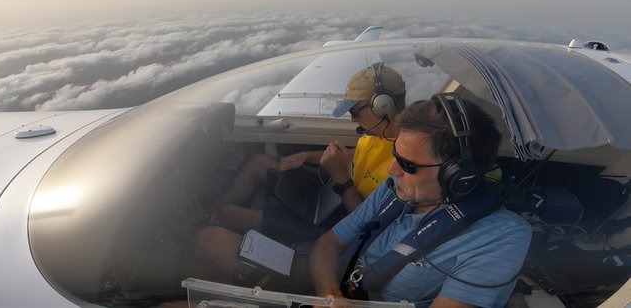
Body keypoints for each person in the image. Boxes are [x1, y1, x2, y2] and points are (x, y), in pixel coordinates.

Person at [192, 64, 407, 285]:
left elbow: (370, 229)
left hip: (339, 231)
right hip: (333, 204)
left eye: (354, 111)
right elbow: (355, 154)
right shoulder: (377, 134)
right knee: (260, 163)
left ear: (382, 106)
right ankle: (213, 218)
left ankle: (211, 237)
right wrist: (305, 155)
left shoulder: (404, 166)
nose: (352, 120)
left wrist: (342, 181)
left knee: (212, 233)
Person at [310, 95, 532, 308]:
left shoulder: (502, 236)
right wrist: (330, 295)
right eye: (395, 154)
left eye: (408, 165)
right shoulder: (395, 187)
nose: (391, 169)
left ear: (457, 175)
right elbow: (328, 243)